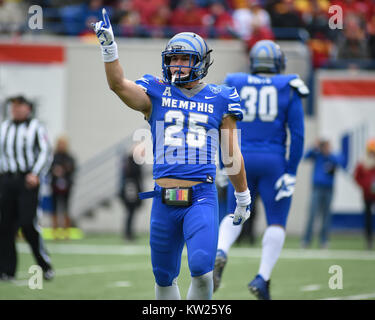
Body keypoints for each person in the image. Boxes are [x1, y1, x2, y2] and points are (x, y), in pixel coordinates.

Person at [92, 9, 251, 300]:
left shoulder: (221, 97)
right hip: (164, 199)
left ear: (200, 62)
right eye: (173, 59)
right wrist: (108, 47)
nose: (177, 65)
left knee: (202, 268)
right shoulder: (156, 91)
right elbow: (118, 85)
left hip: (201, 196)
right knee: (163, 276)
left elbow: (231, 153)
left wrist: (242, 197)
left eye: (184, 59)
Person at [213, 40, 309, 300]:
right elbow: (298, 135)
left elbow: (220, 122)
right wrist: (290, 170)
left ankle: (221, 250)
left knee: (236, 211)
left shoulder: (234, 81)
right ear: (278, 63)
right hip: (273, 161)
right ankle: (262, 277)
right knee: (276, 221)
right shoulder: (289, 86)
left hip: (240, 158)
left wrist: (224, 163)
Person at [0, 95, 54, 281]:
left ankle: (44, 264)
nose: (15, 110)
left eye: (19, 106)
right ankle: (7, 270)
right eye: (13, 107)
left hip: (27, 181)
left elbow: (46, 152)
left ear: (28, 109)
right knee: (4, 226)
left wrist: (36, 173)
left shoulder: (36, 127)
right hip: (6, 180)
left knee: (27, 224)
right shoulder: (4, 127)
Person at [301, 139, 345, 249]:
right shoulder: (317, 155)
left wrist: (329, 153)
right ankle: (306, 240)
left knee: (326, 216)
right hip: (317, 189)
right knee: (312, 214)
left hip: (329, 189)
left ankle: (324, 240)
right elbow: (306, 156)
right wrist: (314, 147)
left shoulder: (333, 157)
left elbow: (342, 162)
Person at [50, 135, 76, 240]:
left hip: (66, 186)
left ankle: (66, 231)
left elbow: (73, 169)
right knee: (55, 207)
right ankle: (55, 231)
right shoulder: (53, 157)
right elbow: (49, 169)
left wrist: (64, 170)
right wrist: (55, 171)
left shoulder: (69, 157)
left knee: (66, 208)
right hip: (55, 186)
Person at [119, 143, 144, 241]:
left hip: (133, 189)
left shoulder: (132, 161)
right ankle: (128, 233)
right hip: (130, 190)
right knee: (130, 211)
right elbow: (131, 175)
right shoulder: (130, 161)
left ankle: (129, 232)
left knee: (132, 212)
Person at [354, 138, 375, 250]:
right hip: (367, 195)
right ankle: (369, 240)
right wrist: (365, 186)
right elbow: (357, 177)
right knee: (368, 219)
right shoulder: (363, 162)